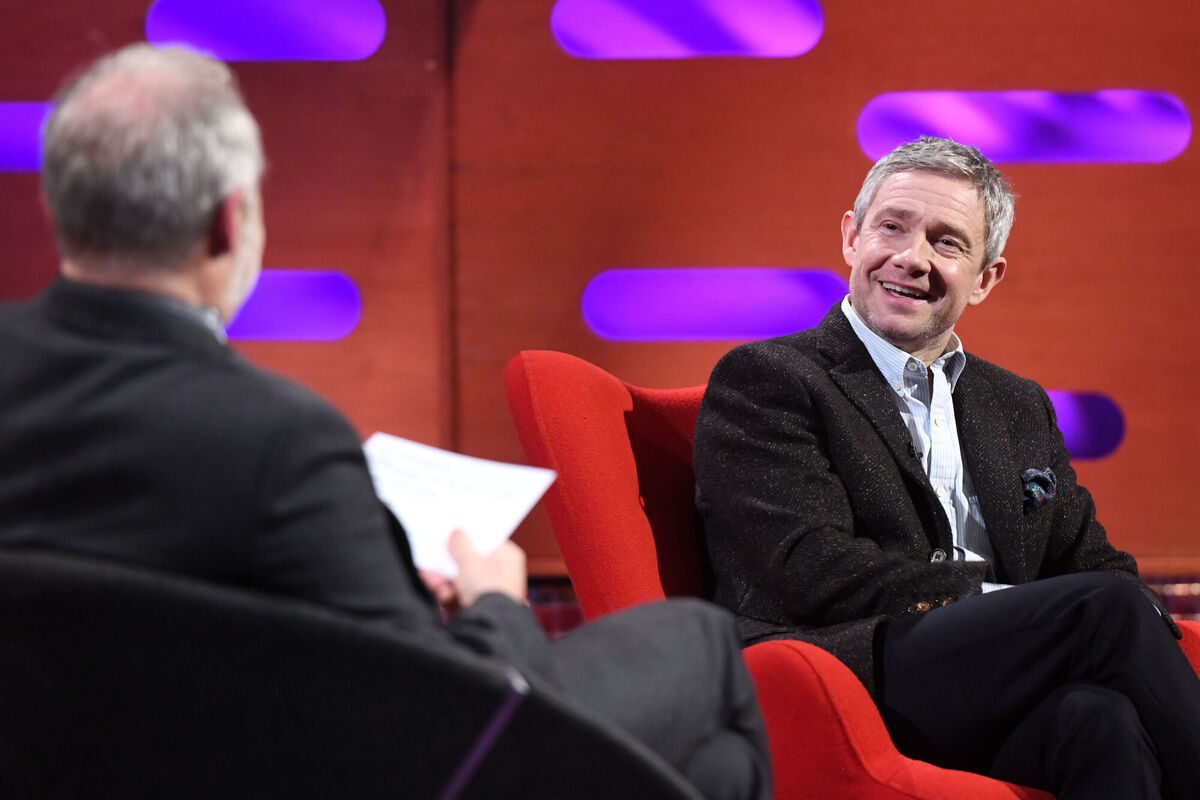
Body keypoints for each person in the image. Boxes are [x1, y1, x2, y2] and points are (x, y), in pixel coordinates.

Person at [0, 44, 769, 800]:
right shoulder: (280, 440)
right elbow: (439, 727)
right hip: (301, 764)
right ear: (229, 225)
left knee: (707, 775)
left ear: (60, 203)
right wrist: (495, 601)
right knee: (701, 645)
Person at [693, 135, 1200, 799]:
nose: (911, 258)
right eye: (892, 227)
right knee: (1105, 611)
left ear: (986, 277)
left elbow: (1094, 564)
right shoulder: (770, 379)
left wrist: (1043, 615)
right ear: (852, 237)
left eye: (947, 241)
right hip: (845, 672)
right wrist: (1003, 605)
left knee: (1098, 720)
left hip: (994, 689)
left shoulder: (1015, 405)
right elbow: (807, 573)